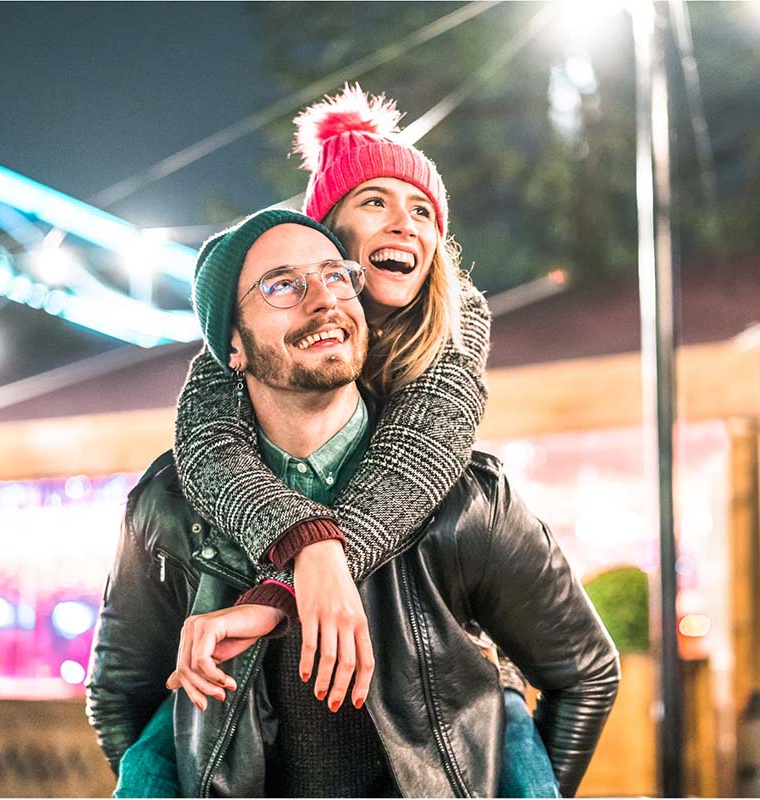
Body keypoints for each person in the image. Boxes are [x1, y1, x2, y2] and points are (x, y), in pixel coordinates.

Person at [86, 211, 620, 797]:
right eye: (283, 285)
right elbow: (120, 699)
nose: (323, 300)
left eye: (337, 276)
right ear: (232, 345)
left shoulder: (465, 502)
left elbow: (585, 675)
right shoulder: (169, 505)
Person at [166, 85, 554, 795]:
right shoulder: (258, 312)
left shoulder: (456, 320)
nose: (404, 224)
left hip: (445, 701)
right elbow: (206, 442)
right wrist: (301, 540)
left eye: (424, 211)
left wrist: (295, 573)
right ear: (326, 227)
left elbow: (421, 452)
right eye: (375, 201)